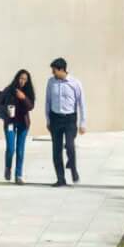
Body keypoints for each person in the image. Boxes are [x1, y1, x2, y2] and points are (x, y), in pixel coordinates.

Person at [45, 57, 87, 186]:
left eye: (54, 71)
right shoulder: (51, 82)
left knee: (69, 146)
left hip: (70, 119)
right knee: (56, 150)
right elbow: (48, 101)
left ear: (61, 69)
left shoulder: (75, 83)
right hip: (55, 119)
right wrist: (48, 120)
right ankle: (60, 179)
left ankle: (73, 169)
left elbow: (81, 104)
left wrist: (82, 123)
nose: (53, 73)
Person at [0, 69, 34, 183]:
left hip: (23, 123)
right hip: (10, 123)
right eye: (21, 78)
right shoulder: (9, 89)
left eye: (25, 79)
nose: (22, 81)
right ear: (17, 78)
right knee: (11, 148)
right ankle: (8, 167)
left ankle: (18, 175)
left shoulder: (29, 91)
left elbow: (31, 106)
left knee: (20, 150)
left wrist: (23, 97)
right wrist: (7, 110)